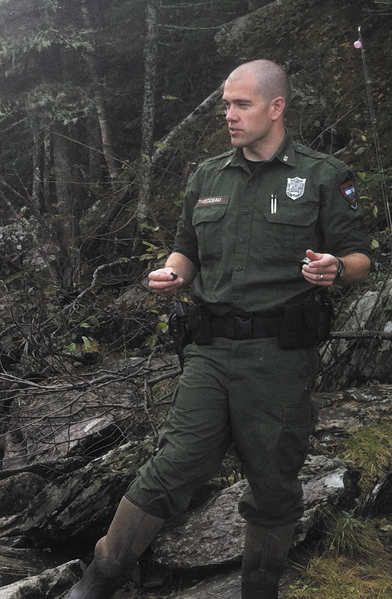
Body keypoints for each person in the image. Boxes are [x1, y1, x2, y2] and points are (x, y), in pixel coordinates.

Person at [66, 59, 371, 599]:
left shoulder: (324, 175)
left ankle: (259, 589)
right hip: (209, 348)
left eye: (241, 104)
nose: (229, 115)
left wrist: (335, 268)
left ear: (276, 108)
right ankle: (97, 580)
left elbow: (359, 257)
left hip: (279, 354)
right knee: (175, 463)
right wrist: (172, 272)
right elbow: (186, 248)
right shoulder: (208, 175)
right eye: (226, 104)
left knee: (273, 482)